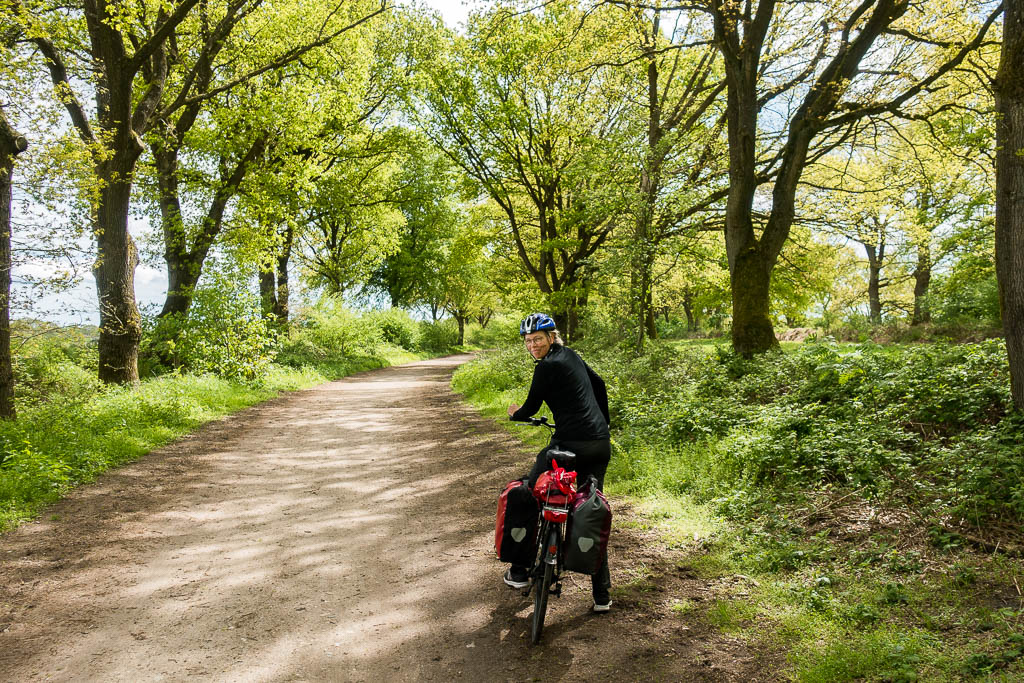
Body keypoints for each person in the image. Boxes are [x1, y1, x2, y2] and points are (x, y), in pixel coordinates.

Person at [504, 312, 613, 613]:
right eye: (528, 341)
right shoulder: (571, 356)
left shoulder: (547, 366)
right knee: (590, 508)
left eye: (537, 339)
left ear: (552, 337)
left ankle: (519, 570)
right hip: (599, 446)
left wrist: (515, 413)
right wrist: (603, 425)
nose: (532, 345)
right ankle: (601, 596)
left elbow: (531, 406)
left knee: (529, 490)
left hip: (569, 445)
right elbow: (600, 385)